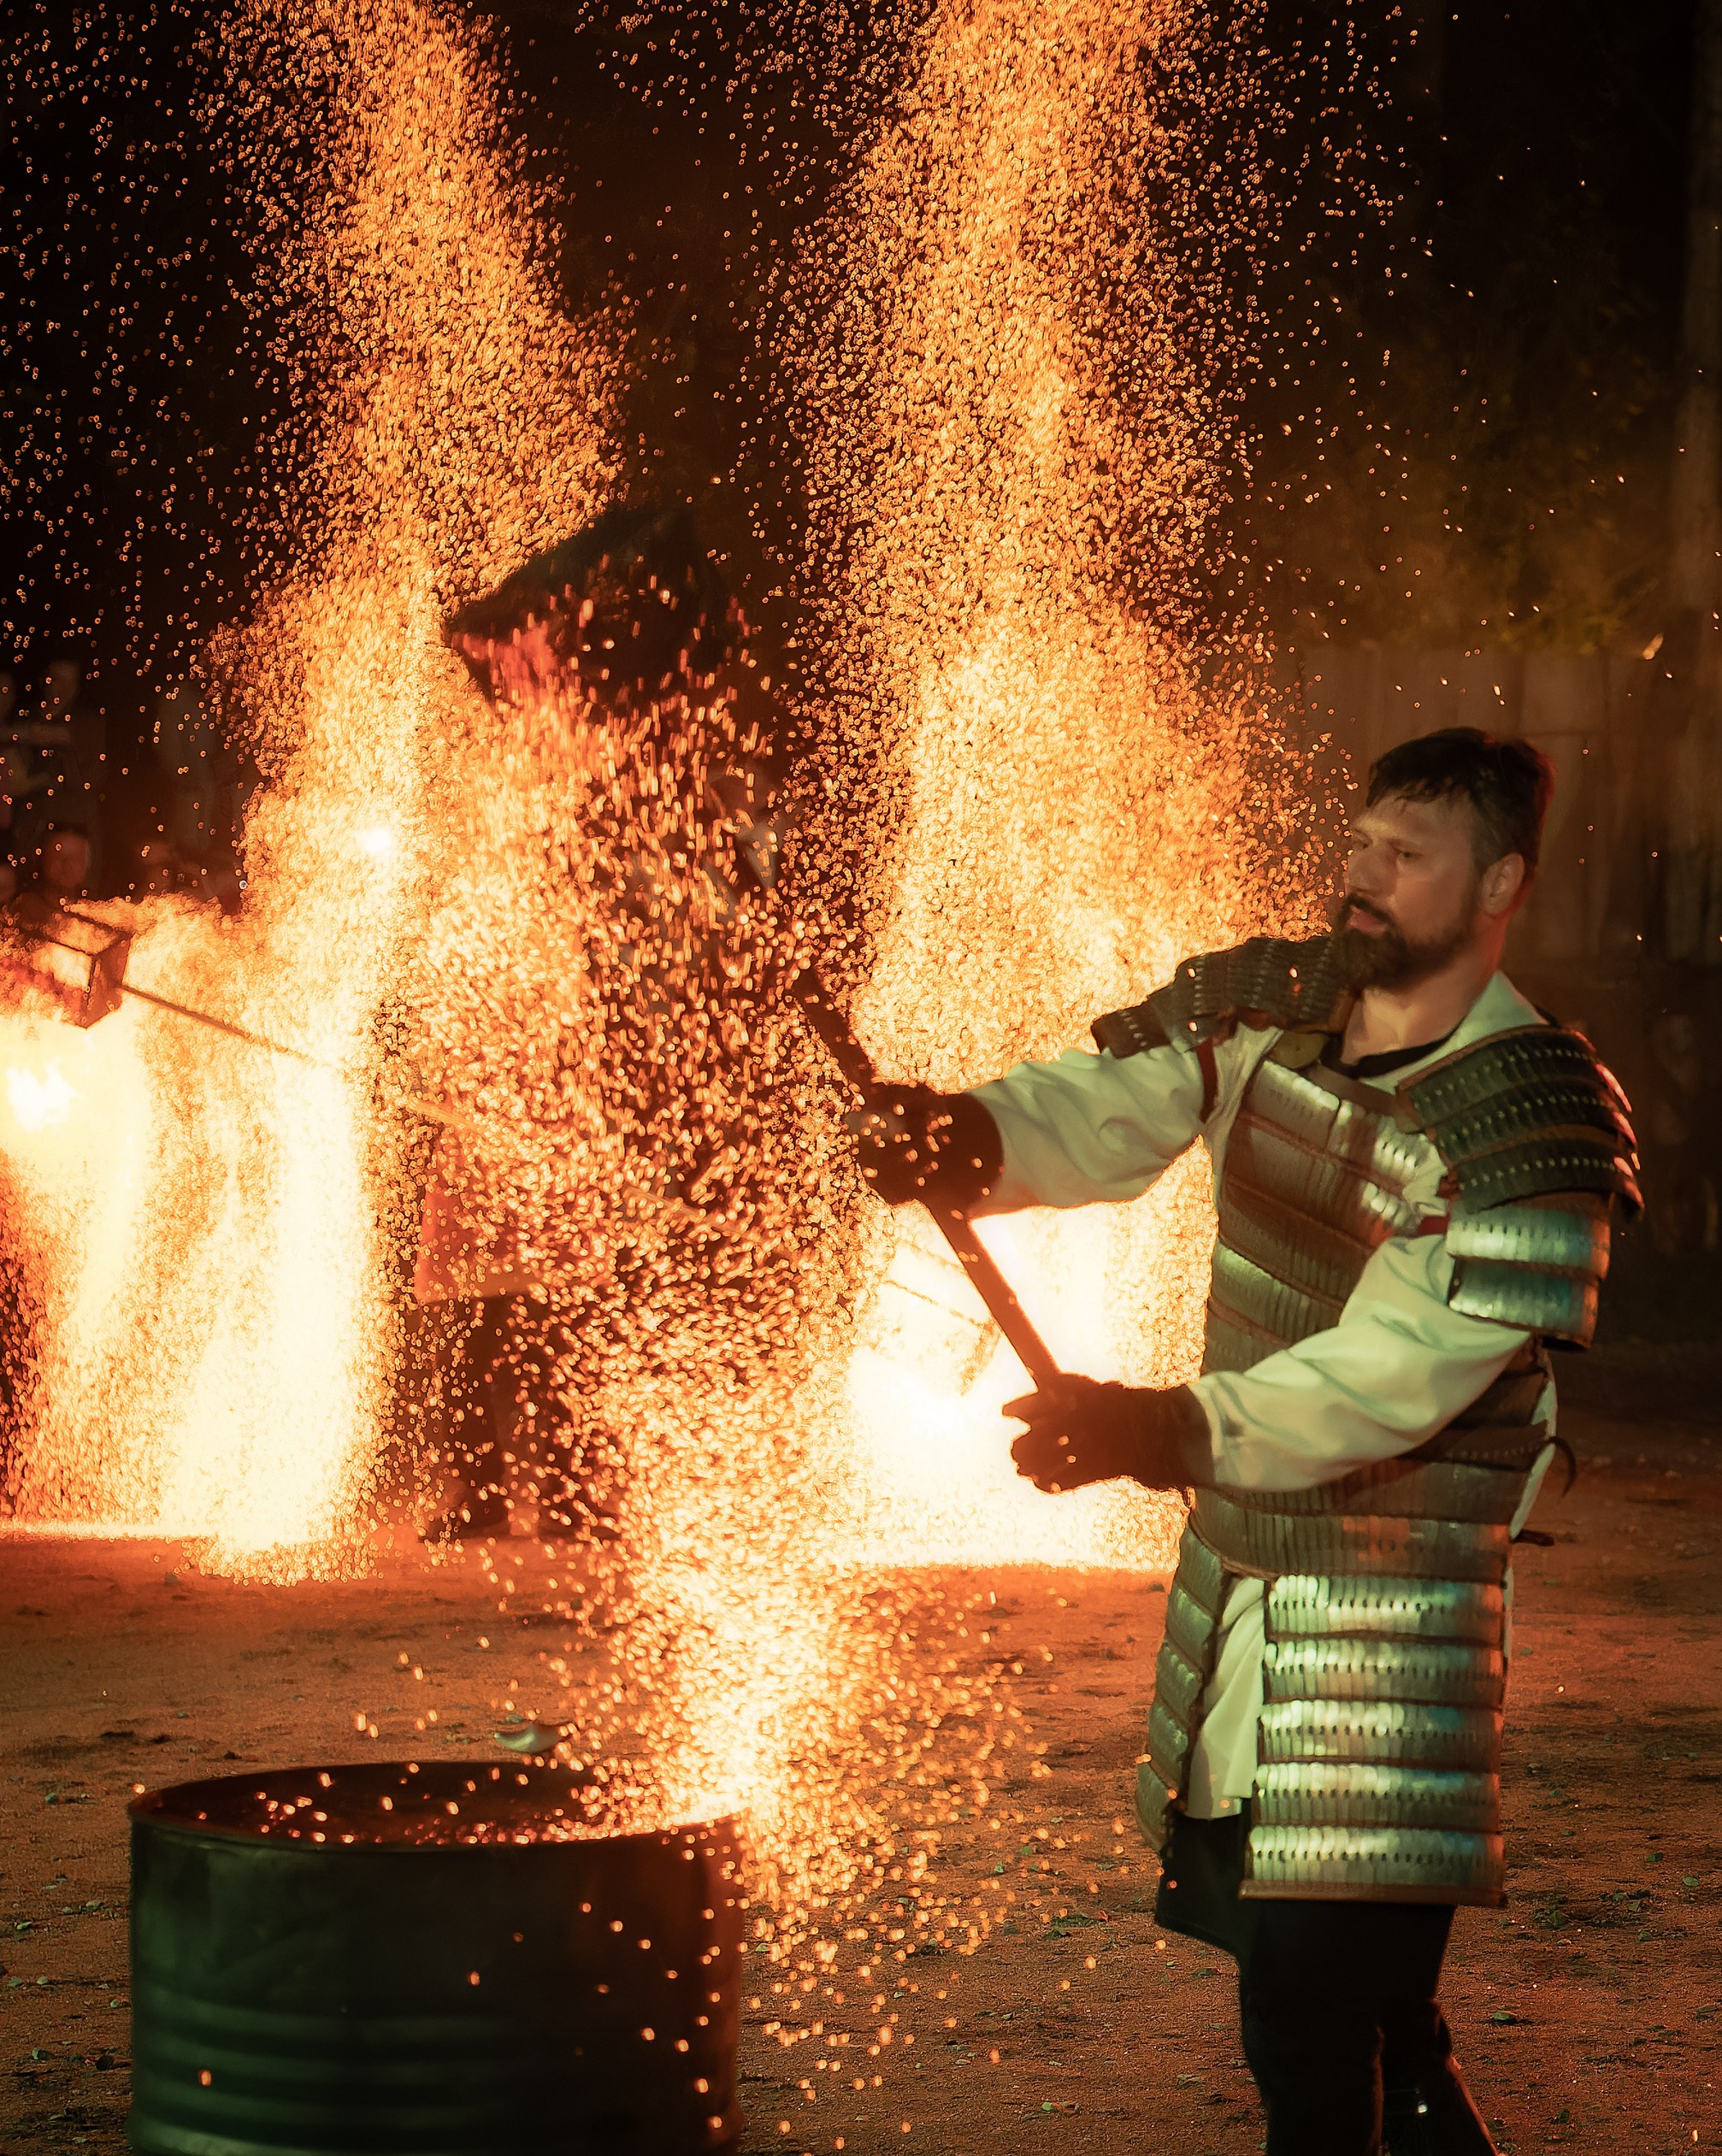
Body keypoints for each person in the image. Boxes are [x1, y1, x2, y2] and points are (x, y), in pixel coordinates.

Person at [853, 728, 1640, 2156]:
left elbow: (1388, 1377)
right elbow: (1115, 1101)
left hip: (1392, 1615)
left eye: (1407, 855)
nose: (1363, 876)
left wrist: (1158, 1423)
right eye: (1360, 842)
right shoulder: (1275, 1003)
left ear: (1498, 882)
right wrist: (972, 1137)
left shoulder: (1529, 1125)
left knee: (1307, 2015)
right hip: (1243, 1572)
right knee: (1368, 2008)